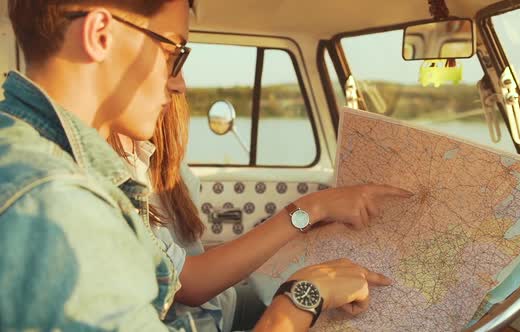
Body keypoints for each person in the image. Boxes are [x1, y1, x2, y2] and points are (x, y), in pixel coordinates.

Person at [0, 1, 405, 331]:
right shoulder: (55, 204)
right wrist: (304, 295)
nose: (179, 83)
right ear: (100, 34)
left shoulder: (66, 169)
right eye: (172, 52)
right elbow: (191, 285)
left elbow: (176, 282)